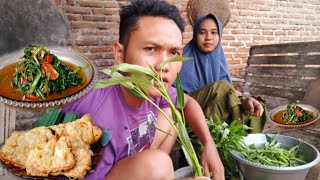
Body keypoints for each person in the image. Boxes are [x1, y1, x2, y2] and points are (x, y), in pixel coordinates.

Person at [63, 1, 224, 180]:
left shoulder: (149, 87)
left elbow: (187, 102)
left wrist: (209, 144)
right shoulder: (95, 120)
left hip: (131, 162)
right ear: (119, 54)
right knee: (158, 164)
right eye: (150, 49)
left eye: (173, 53)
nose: (163, 65)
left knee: (172, 113)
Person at [178, 14, 266, 133]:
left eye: (214, 32)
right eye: (202, 32)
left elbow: (228, 94)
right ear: (195, 35)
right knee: (222, 87)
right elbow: (176, 100)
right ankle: (237, 133)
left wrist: (245, 101)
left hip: (214, 112)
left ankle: (247, 142)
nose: (208, 37)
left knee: (257, 105)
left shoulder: (219, 60)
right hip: (188, 115)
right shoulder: (181, 59)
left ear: (220, 35)